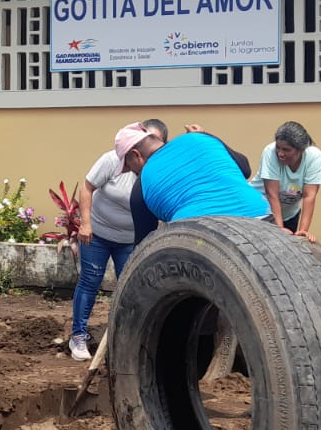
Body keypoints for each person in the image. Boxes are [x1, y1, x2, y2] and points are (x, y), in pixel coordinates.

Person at [68, 119, 167, 361]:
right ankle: (78, 335)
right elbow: (87, 187)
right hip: (98, 234)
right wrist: (86, 224)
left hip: (130, 241)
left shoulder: (159, 170)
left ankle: (126, 339)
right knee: (90, 281)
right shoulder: (114, 160)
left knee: (130, 287)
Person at [116, 121, 271, 243]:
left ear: (136, 155)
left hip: (201, 237)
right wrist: (207, 136)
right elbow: (245, 169)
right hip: (260, 215)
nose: (132, 172)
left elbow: (144, 247)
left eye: (128, 166)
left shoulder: (141, 185)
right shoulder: (203, 138)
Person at [255, 121, 321, 242]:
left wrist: (303, 232)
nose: (280, 153)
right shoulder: (269, 152)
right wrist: (279, 228)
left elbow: (309, 196)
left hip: (290, 214)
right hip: (262, 212)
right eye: (278, 148)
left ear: (301, 150)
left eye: (286, 150)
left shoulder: (314, 156)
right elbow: (272, 195)